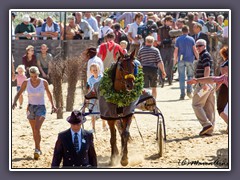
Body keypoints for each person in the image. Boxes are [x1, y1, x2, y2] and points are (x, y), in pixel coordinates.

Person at [12, 66, 57, 160]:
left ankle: (36, 149)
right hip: (30, 108)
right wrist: (14, 102)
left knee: (37, 128)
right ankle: (38, 148)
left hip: (41, 107)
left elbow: (49, 94)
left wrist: (53, 105)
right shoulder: (26, 82)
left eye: (35, 76)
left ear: (38, 74)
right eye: (32, 76)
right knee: (35, 130)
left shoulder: (44, 82)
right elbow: (19, 92)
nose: (33, 78)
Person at [191, 39, 215, 136]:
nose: (197, 47)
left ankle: (206, 124)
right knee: (209, 107)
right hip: (210, 83)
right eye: (196, 46)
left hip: (205, 83)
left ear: (204, 46)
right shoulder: (204, 55)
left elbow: (207, 68)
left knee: (196, 104)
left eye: (200, 45)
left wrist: (204, 82)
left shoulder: (205, 55)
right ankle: (209, 130)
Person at [174, 25, 199, 100]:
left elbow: (176, 51)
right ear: (188, 31)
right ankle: (189, 91)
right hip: (190, 59)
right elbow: (194, 49)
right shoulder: (191, 39)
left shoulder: (178, 39)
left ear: (182, 31)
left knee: (181, 77)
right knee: (190, 76)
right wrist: (198, 57)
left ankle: (182, 94)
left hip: (181, 60)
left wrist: (175, 60)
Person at [88, 63, 107, 132]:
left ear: (98, 70)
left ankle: (104, 125)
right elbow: (90, 88)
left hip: (101, 97)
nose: (95, 71)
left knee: (102, 112)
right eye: (94, 70)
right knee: (93, 112)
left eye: (96, 70)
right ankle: (93, 128)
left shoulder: (101, 78)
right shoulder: (90, 79)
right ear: (91, 71)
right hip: (93, 97)